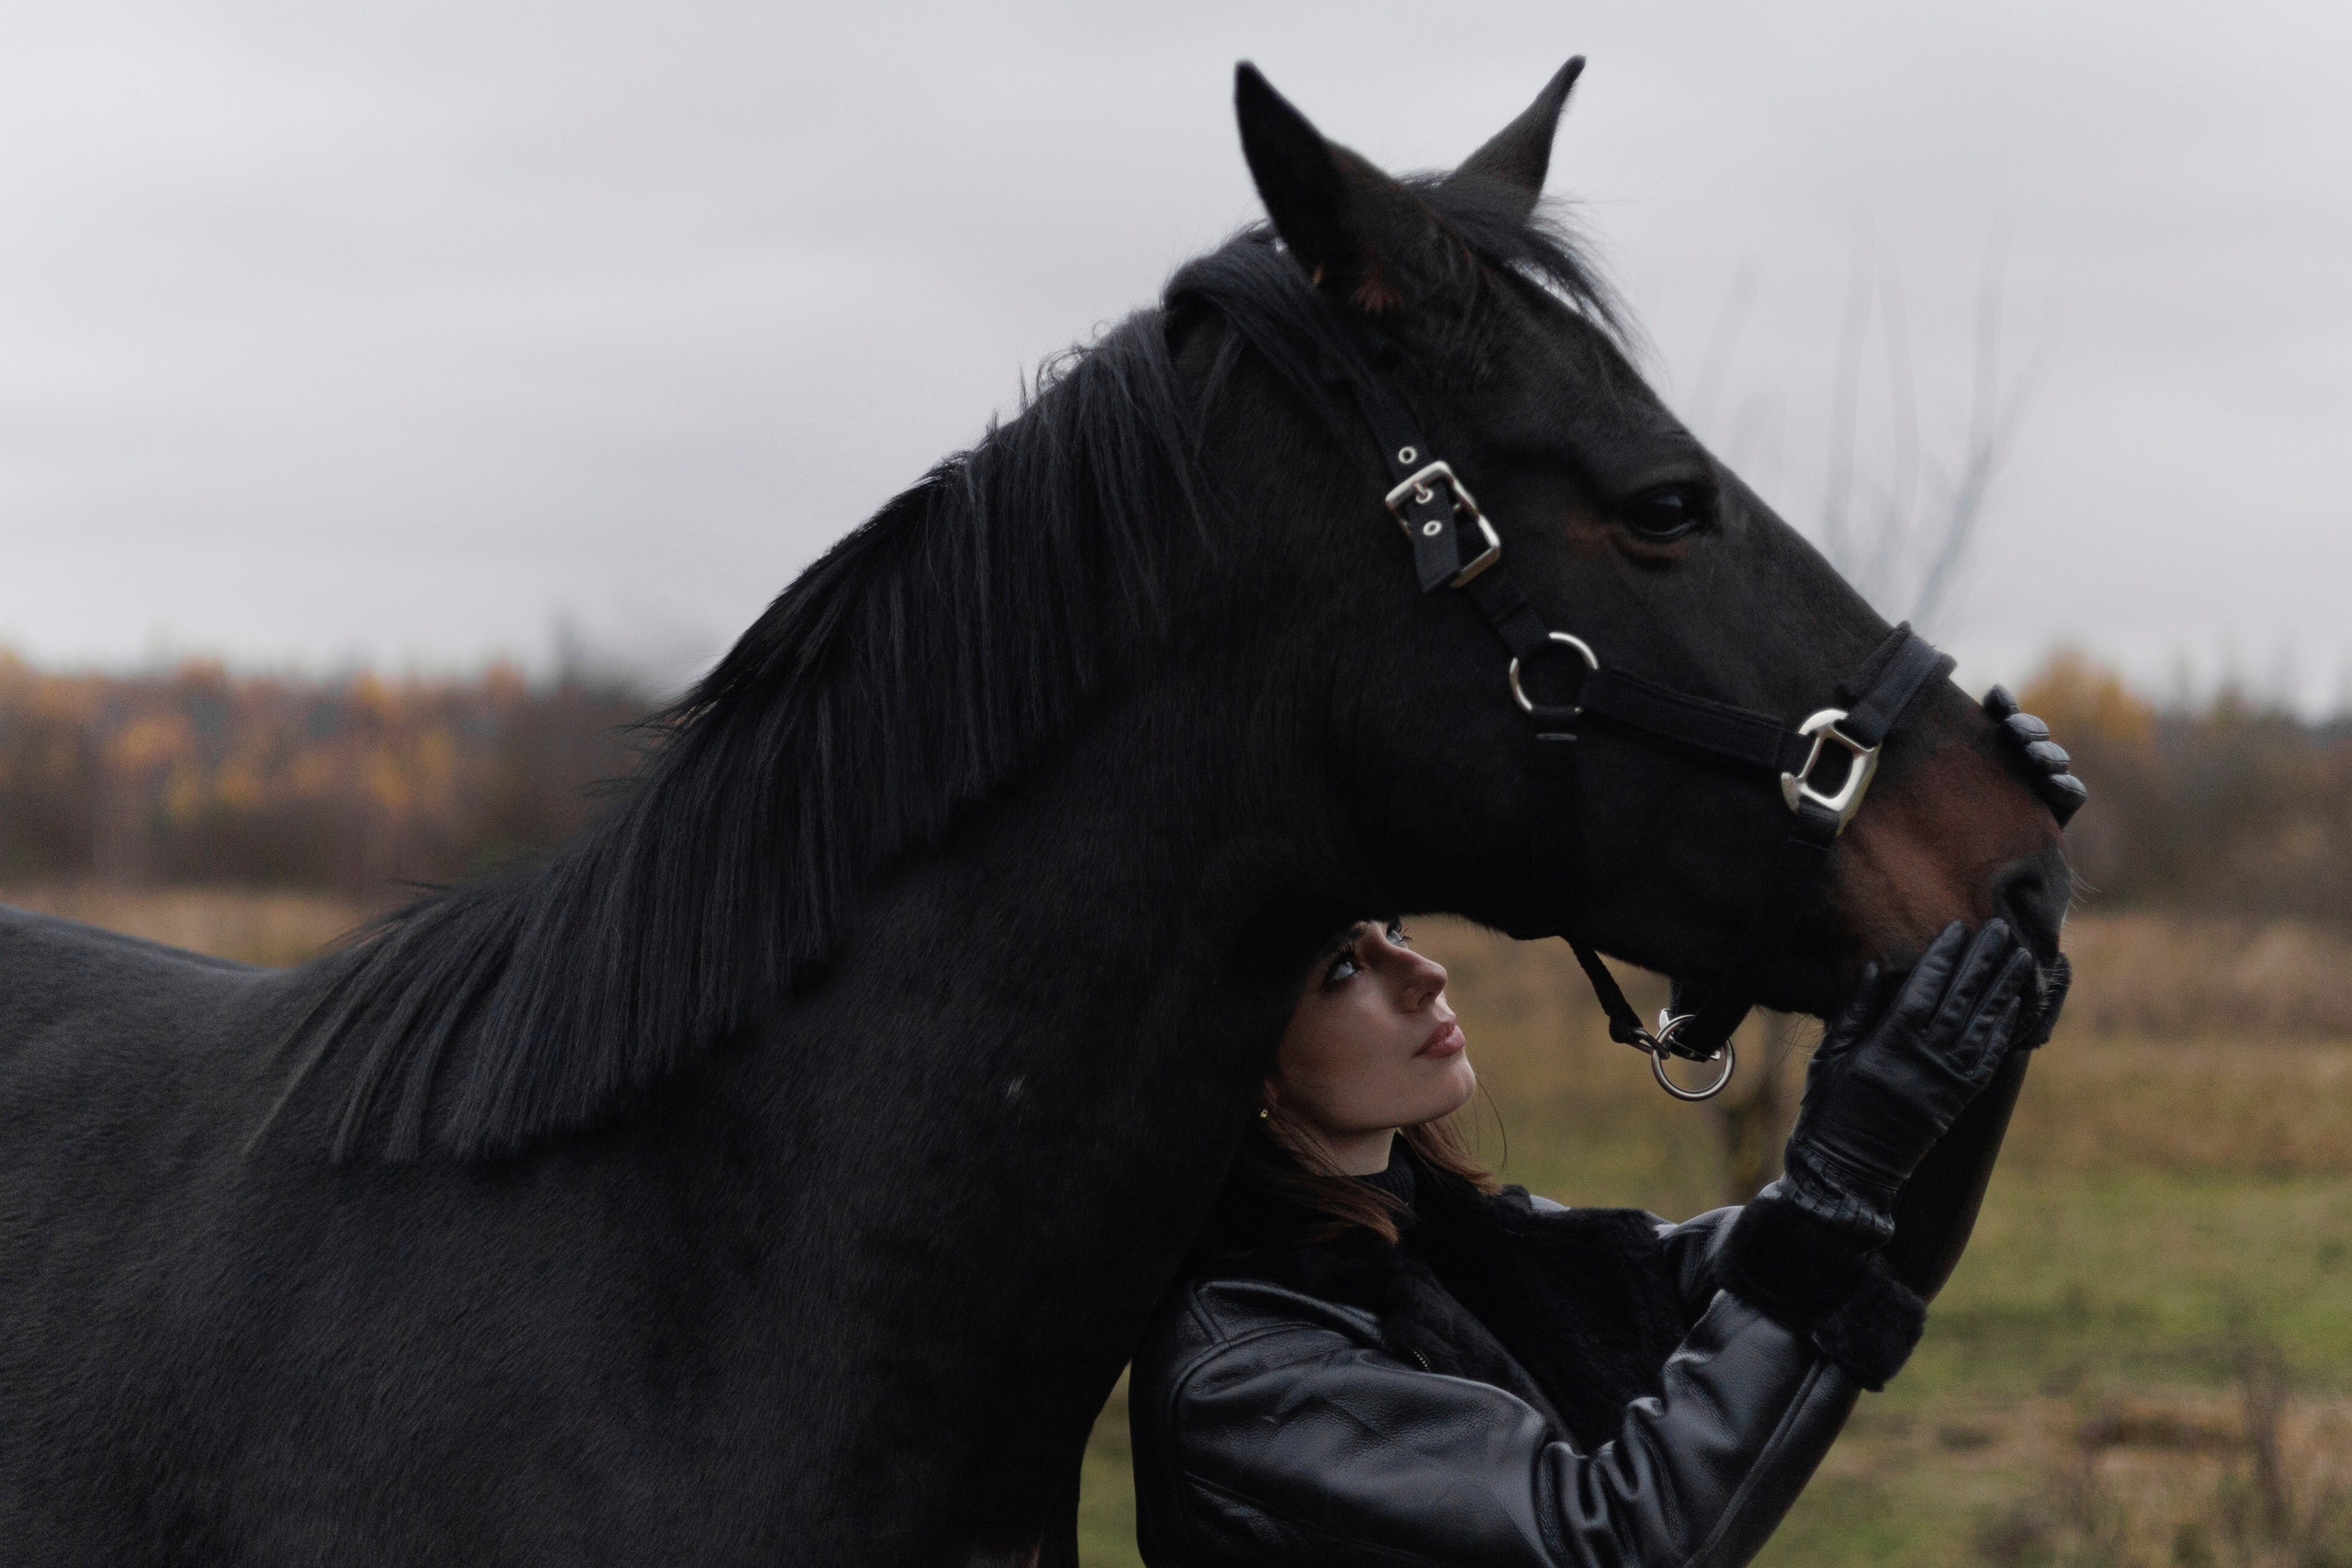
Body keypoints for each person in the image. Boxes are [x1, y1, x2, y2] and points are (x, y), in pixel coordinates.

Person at [1127, 700, 2082, 1567]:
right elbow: (1610, 1542)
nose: (1422, 976)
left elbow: (1844, 1268)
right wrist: (1842, 1179)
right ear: (1241, 1057)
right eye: (1342, 969)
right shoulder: (1241, 1378)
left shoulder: (1462, 1246)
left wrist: (1994, 921)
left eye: (1393, 930)